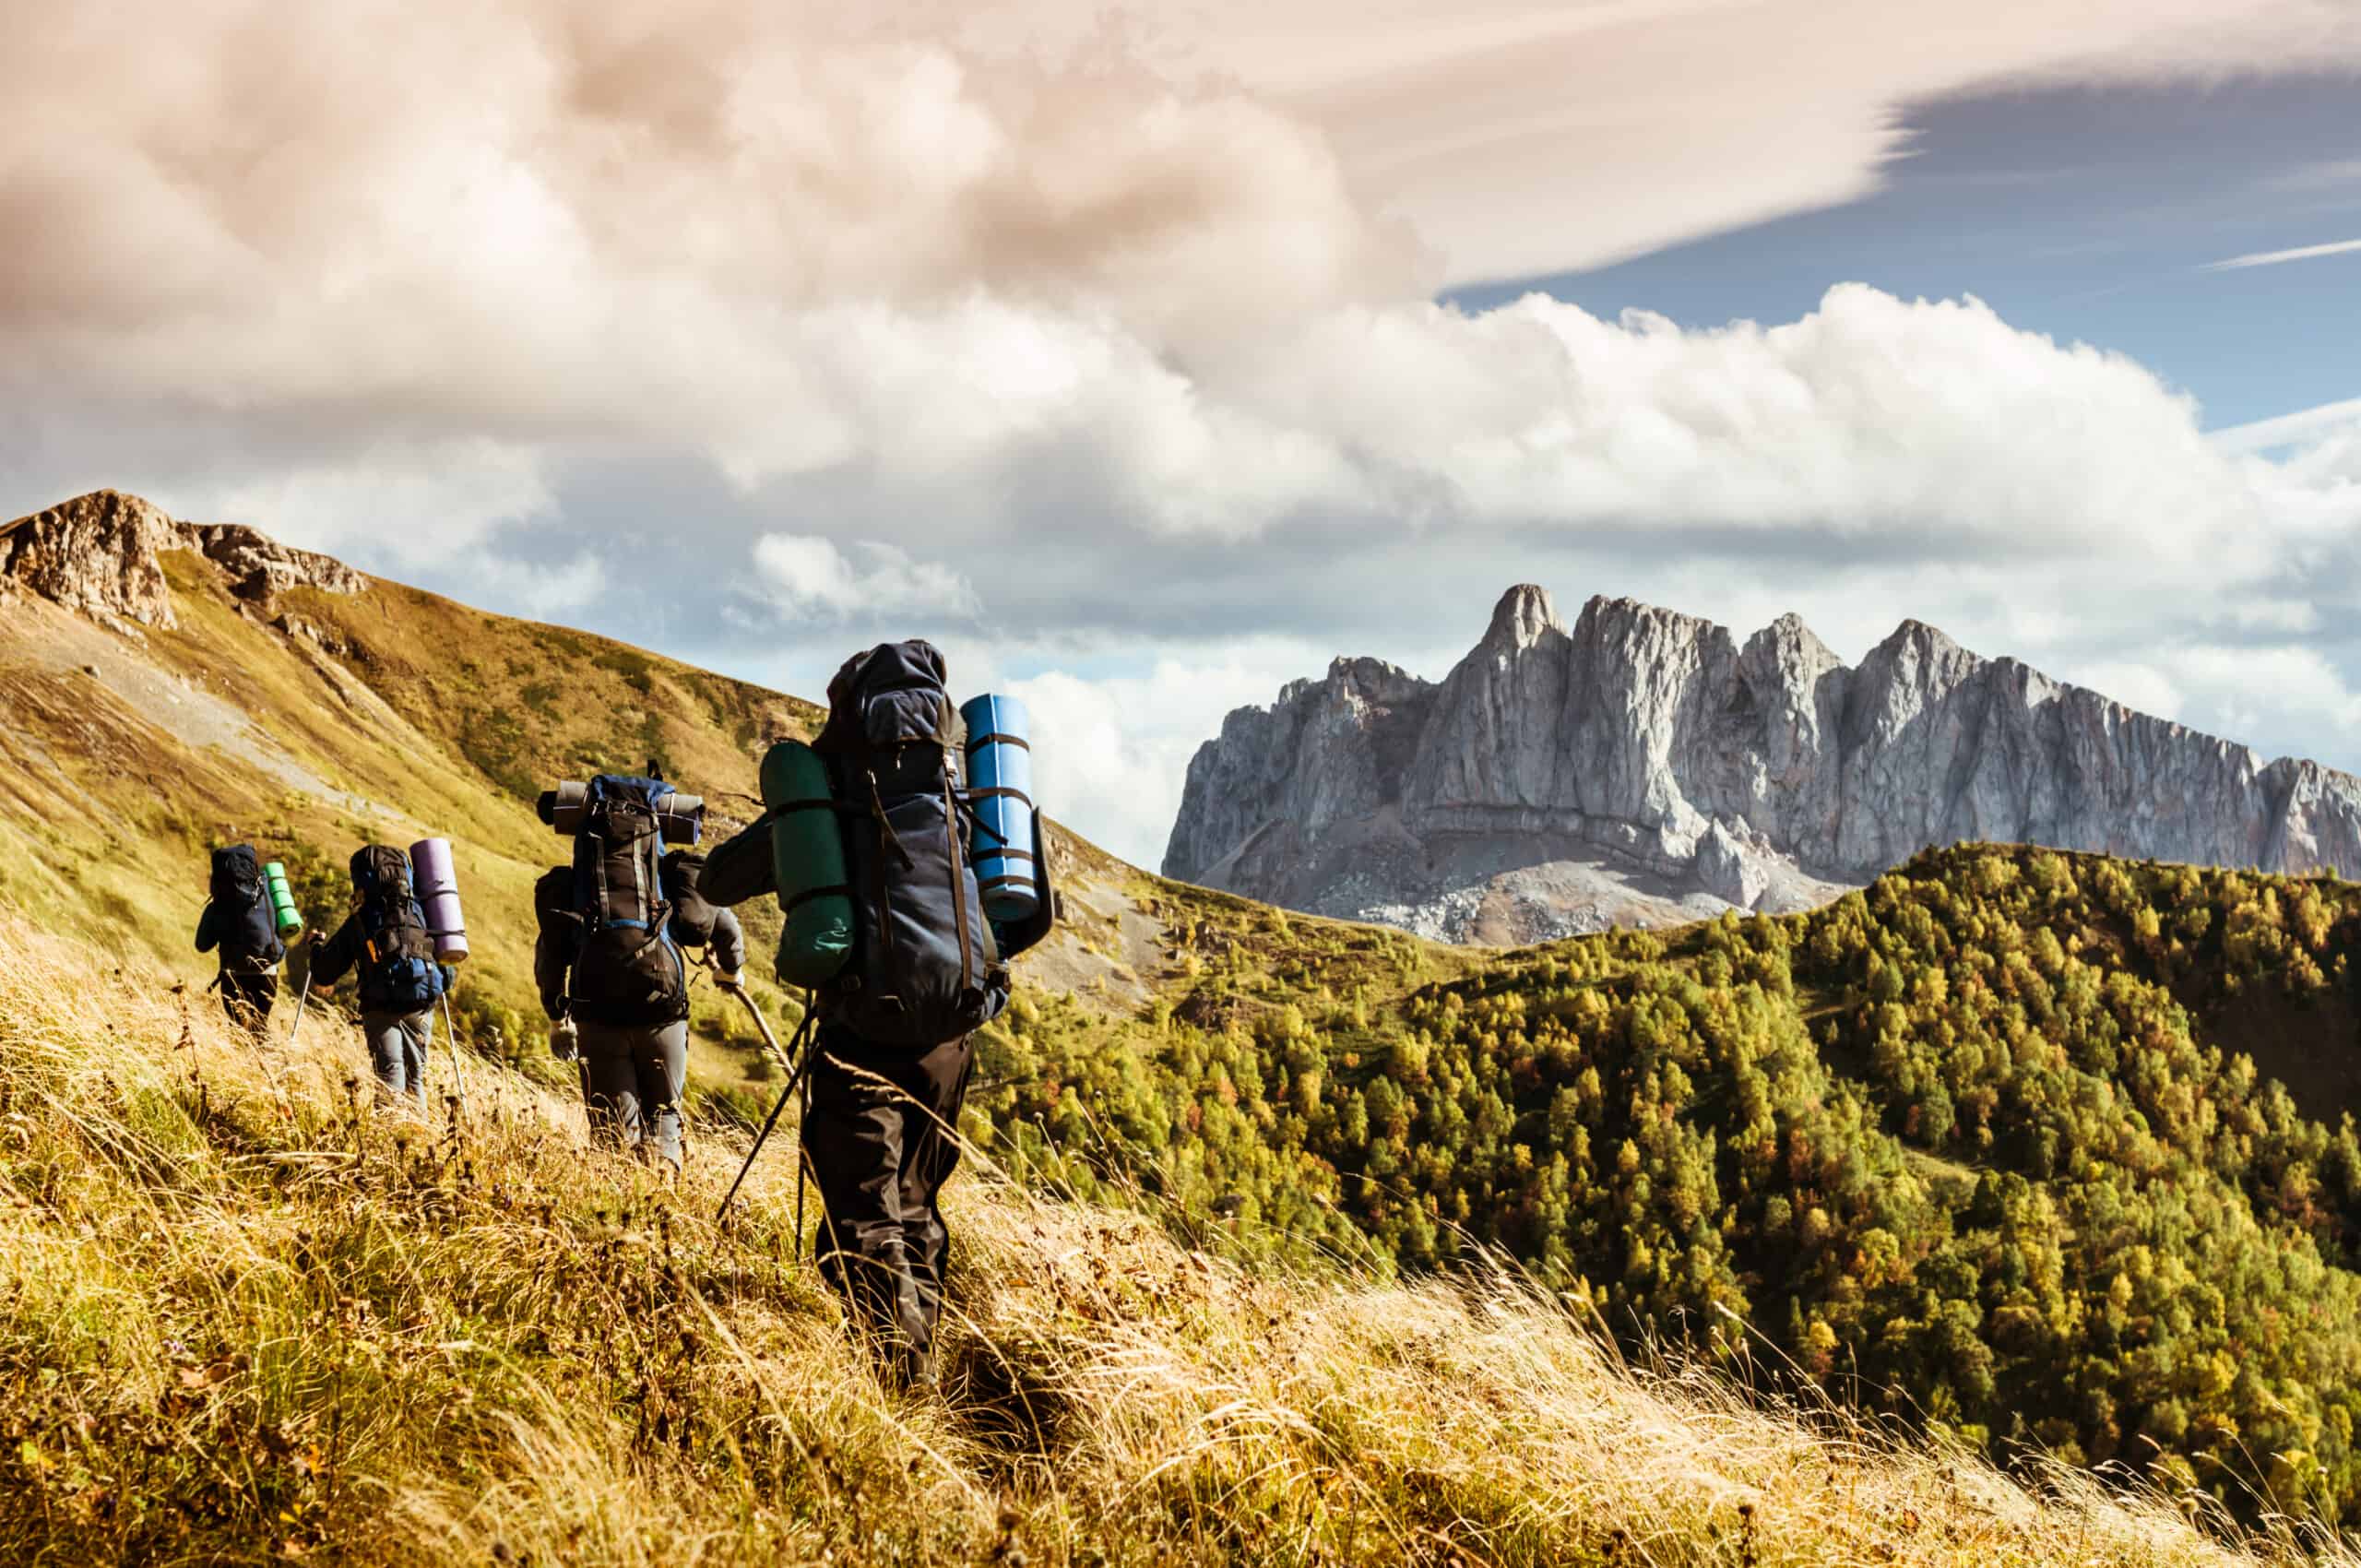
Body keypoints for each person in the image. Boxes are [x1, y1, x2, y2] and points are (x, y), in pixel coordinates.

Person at [703, 639, 1057, 1391]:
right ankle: (927, 1351)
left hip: (860, 1032)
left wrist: (793, 837)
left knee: (863, 1214)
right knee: (917, 1202)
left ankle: (904, 1385)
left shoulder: (828, 793)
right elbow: (1030, 913)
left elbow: (721, 882)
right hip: (953, 1035)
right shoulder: (968, 793)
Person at [532, 815, 744, 1170]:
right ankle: (663, 1200)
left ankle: (618, 1206)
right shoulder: (667, 879)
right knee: (664, 1115)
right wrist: (731, 971)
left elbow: (550, 960)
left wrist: (557, 1019)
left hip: (597, 1015)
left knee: (612, 1130)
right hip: (662, 1013)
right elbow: (724, 926)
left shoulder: (577, 887)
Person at [308, 845, 450, 1111]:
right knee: (415, 1077)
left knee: (389, 1075)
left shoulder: (362, 920)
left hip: (381, 1005)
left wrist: (315, 946)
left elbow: (324, 972)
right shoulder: (421, 911)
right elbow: (447, 972)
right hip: (422, 1001)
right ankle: (419, 1138)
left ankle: (388, 1141)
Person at [195, 843, 286, 1036]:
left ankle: (243, 1063)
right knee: (259, 1029)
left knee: (236, 1032)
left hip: (233, 975)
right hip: (268, 973)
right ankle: (269, 1062)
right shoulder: (268, 893)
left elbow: (202, 945)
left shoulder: (217, 906)